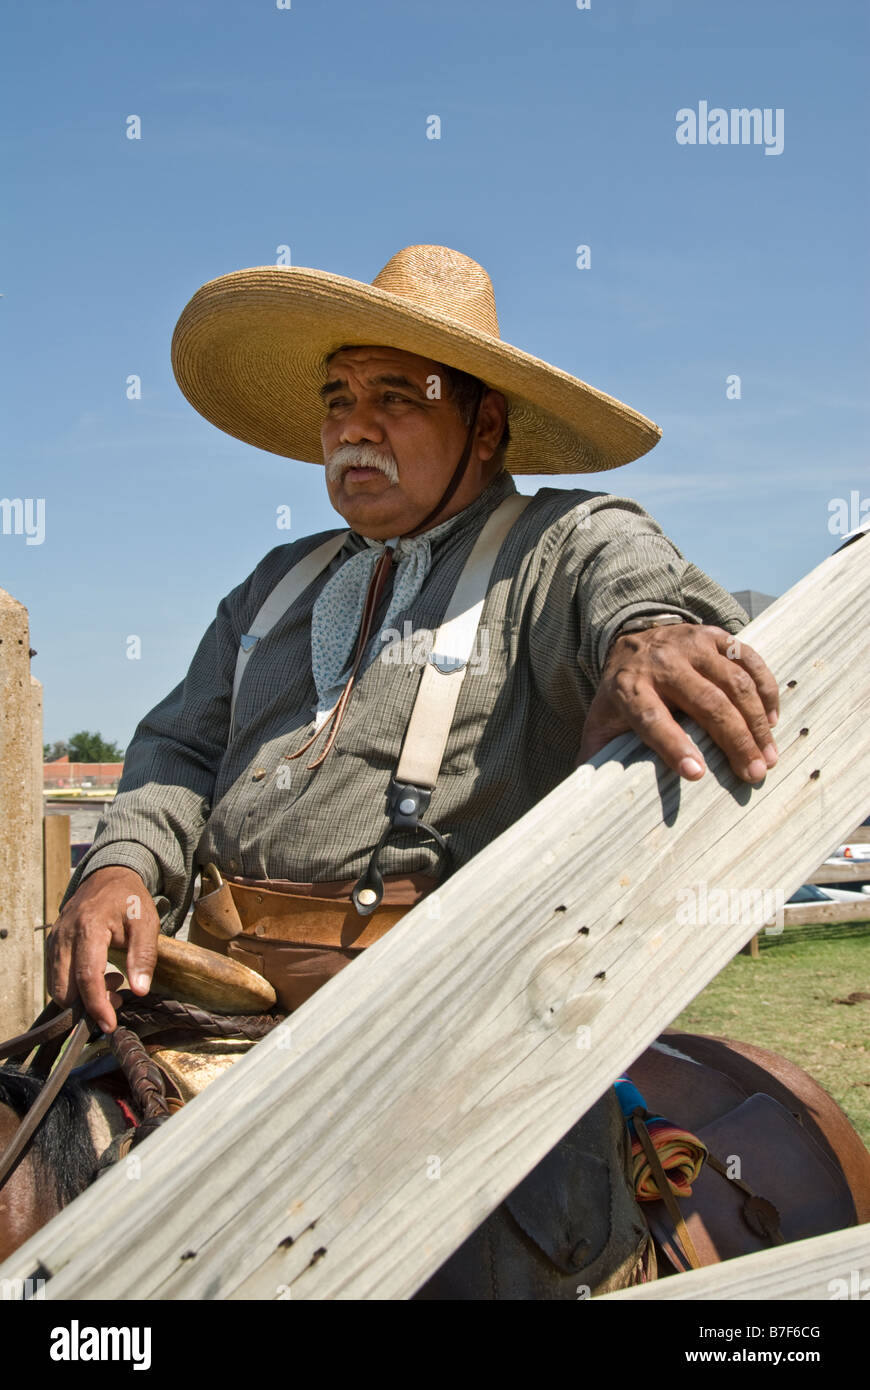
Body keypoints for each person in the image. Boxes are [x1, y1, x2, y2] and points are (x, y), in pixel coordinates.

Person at [48, 244, 779, 1296]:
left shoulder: (558, 543)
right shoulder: (272, 586)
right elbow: (176, 751)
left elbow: (641, 588)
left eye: (399, 396)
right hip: (214, 1002)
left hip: (445, 1034)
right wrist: (119, 866)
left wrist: (651, 632)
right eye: (338, 397)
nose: (353, 425)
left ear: (485, 425)